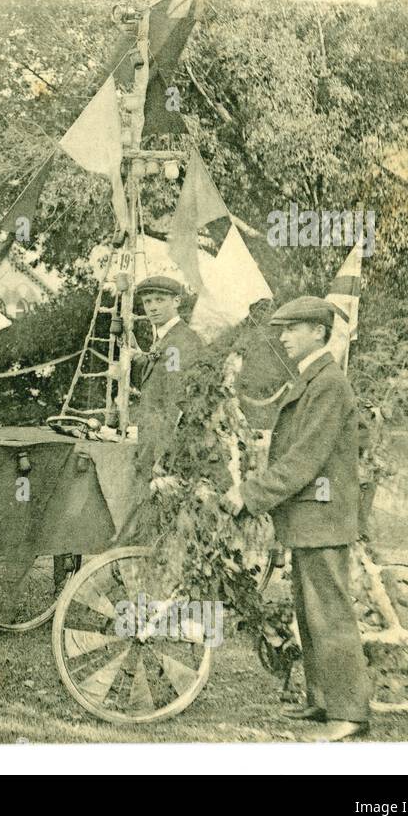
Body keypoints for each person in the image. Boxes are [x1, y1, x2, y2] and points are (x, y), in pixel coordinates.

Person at [220, 295, 370, 742]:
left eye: (292, 329)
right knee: (309, 614)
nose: (283, 337)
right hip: (311, 516)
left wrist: (250, 494)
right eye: (282, 329)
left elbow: (304, 459)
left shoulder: (328, 383)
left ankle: (349, 714)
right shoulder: (313, 377)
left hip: (322, 515)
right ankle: (324, 700)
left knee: (330, 616)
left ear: (318, 333)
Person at [132, 275, 206, 476]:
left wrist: (164, 459)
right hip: (150, 450)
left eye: (159, 300)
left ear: (176, 301)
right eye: (147, 301)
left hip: (162, 460)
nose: (152, 307)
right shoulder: (166, 339)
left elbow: (177, 403)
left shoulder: (179, 342)